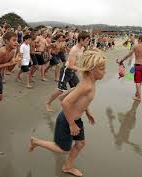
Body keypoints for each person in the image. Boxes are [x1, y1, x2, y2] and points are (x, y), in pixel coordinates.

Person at [29, 49, 106, 177]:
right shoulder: (86, 85)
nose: (105, 71)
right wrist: (71, 124)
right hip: (67, 120)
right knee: (63, 149)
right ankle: (35, 142)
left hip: (75, 119)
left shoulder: (90, 82)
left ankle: (67, 166)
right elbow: (65, 103)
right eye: (102, 68)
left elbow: (75, 96)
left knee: (80, 143)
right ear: (91, 70)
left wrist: (88, 111)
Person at [46, 31, 91, 112]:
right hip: (66, 71)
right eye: (87, 40)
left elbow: (80, 59)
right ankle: (48, 103)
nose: (88, 42)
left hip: (72, 71)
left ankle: (68, 100)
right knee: (61, 90)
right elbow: (70, 65)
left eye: (89, 40)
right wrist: (82, 69)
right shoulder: (74, 50)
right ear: (81, 39)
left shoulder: (83, 48)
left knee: (78, 87)